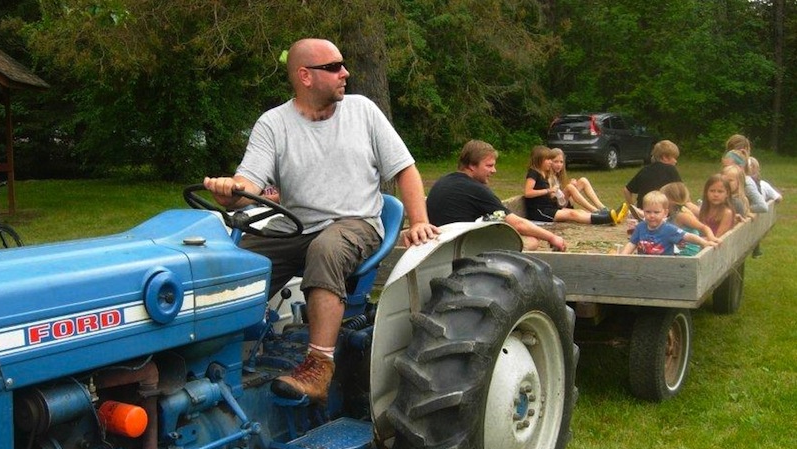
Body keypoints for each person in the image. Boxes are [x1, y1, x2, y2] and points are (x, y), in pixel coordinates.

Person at [204, 38, 439, 405]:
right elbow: (248, 183)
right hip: (294, 227)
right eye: (334, 67)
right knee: (236, 264)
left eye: (342, 65)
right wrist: (229, 191)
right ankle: (208, 351)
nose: (345, 73)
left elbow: (405, 170)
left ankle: (318, 365)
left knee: (325, 248)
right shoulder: (274, 123)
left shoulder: (362, 111)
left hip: (355, 223)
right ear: (305, 76)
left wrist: (419, 220)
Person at [426, 140, 566, 251]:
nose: (494, 170)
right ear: (471, 166)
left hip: (437, 244)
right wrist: (552, 237)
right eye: (489, 165)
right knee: (532, 241)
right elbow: (518, 224)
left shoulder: (443, 181)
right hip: (459, 248)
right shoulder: (476, 190)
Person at [524, 145, 619, 224]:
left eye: (551, 159)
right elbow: (528, 192)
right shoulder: (533, 172)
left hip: (549, 207)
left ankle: (605, 216)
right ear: (539, 160)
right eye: (548, 159)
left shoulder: (543, 173)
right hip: (540, 211)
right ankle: (604, 217)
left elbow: (549, 194)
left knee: (578, 212)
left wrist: (554, 191)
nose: (550, 162)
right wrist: (550, 190)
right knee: (572, 214)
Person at [620, 190, 714, 256]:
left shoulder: (668, 229)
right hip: (643, 267)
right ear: (643, 211)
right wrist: (623, 256)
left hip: (664, 267)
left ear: (665, 213)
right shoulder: (640, 227)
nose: (652, 215)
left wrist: (703, 243)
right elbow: (632, 243)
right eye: (648, 212)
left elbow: (688, 236)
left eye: (656, 212)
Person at [659, 182, 720, 256]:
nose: (660, 200)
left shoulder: (682, 216)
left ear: (672, 200)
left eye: (662, 198)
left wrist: (711, 238)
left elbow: (704, 227)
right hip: (677, 251)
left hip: (687, 254)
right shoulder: (671, 215)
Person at [548, 147, 612, 214]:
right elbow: (551, 196)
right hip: (556, 205)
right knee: (569, 187)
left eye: (561, 162)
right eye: (556, 161)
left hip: (564, 201)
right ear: (550, 162)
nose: (559, 165)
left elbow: (562, 189)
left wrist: (570, 184)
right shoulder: (548, 176)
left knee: (583, 180)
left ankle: (602, 208)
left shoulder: (559, 175)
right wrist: (567, 188)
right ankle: (595, 211)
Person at [623, 140, 682, 210]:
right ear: (665, 157)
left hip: (644, 211)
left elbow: (626, 190)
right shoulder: (671, 169)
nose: (676, 161)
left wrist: (633, 208)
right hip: (662, 213)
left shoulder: (645, 170)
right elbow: (681, 192)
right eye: (674, 158)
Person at [698, 174, 736, 238]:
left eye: (720, 192)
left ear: (727, 194)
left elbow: (718, 237)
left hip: (715, 244)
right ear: (706, 192)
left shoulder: (727, 213)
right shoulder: (704, 209)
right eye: (712, 191)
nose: (716, 195)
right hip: (704, 242)